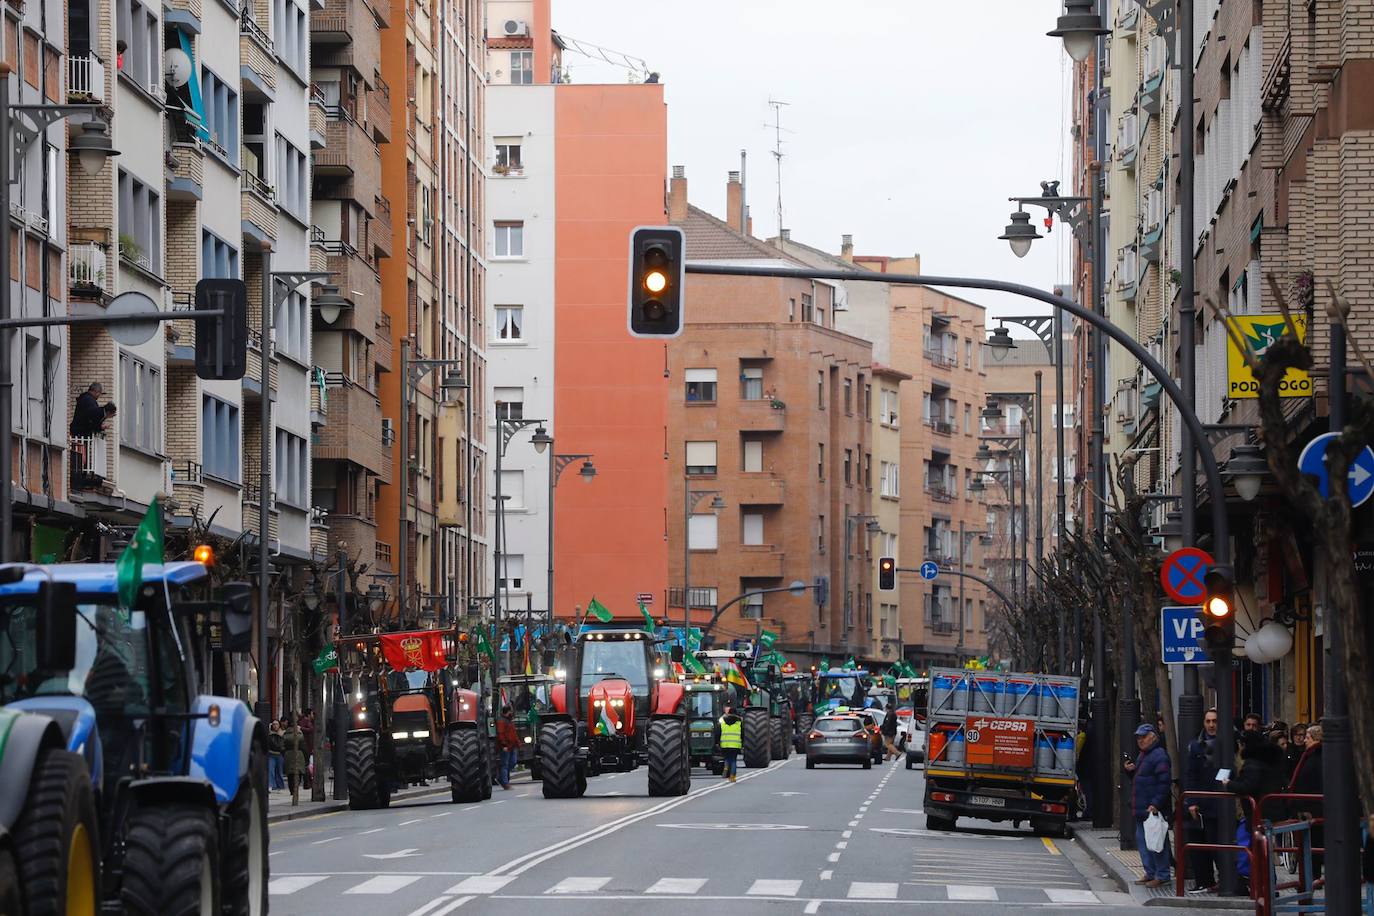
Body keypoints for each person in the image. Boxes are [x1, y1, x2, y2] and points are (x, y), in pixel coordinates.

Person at [1124, 723, 1172, 887]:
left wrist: (1156, 804)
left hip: (1151, 808)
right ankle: (1151, 872)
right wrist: (1131, 771)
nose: (1140, 740)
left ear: (1152, 737)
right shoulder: (1144, 755)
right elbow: (1141, 779)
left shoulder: (1158, 755)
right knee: (1145, 842)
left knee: (1156, 843)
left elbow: (1164, 783)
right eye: (1138, 737)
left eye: (1143, 737)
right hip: (1143, 807)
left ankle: (1162, 874)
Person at [1184, 708, 1222, 893]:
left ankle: (1223, 878)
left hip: (1220, 802)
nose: (1211, 725)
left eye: (1214, 721)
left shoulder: (1228, 743)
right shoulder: (1196, 745)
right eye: (1208, 721)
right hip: (1202, 802)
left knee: (1217, 843)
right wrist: (1192, 800)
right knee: (1200, 843)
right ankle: (1204, 880)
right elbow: (1191, 774)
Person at [1288, 723, 1324, 876]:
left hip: (1314, 808)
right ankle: (1312, 876)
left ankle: (1313, 876)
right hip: (1311, 806)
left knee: (1314, 843)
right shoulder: (1309, 755)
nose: (1304, 740)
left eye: (1308, 737)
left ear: (1316, 739)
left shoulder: (1316, 757)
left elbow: (1312, 783)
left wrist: (1305, 807)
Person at [282, 715, 308, 806]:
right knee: (298, 773)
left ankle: (292, 790)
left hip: (288, 755)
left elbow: (282, 745)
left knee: (290, 774)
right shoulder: (299, 734)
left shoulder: (285, 734)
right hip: (299, 755)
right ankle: (295, 789)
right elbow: (303, 743)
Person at [495, 705, 520, 789]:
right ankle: (505, 783)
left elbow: (514, 733)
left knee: (513, 762)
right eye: (511, 711)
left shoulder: (510, 721)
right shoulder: (501, 721)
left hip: (512, 746)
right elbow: (500, 733)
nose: (512, 713)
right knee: (505, 764)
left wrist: (518, 743)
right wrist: (504, 745)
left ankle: (501, 777)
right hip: (506, 746)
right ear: (508, 711)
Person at [718, 706, 743, 783]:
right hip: (735, 745)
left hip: (725, 744)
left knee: (727, 758)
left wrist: (718, 742)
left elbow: (718, 732)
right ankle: (732, 777)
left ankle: (726, 768)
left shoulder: (722, 721)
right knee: (733, 761)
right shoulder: (739, 722)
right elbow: (743, 734)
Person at [298, 707, 315, 789]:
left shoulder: (305, 721)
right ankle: (307, 783)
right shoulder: (306, 721)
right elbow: (310, 730)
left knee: (306, 764)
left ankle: (307, 782)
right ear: (309, 715)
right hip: (306, 747)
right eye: (312, 714)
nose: (313, 715)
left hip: (307, 746)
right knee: (306, 765)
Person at [267, 720, 286, 791]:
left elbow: (283, 745)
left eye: (276, 724)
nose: (275, 726)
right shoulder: (270, 735)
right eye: (274, 724)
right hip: (271, 754)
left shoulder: (282, 734)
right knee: (271, 771)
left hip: (280, 755)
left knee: (279, 771)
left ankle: (280, 786)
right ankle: (272, 785)